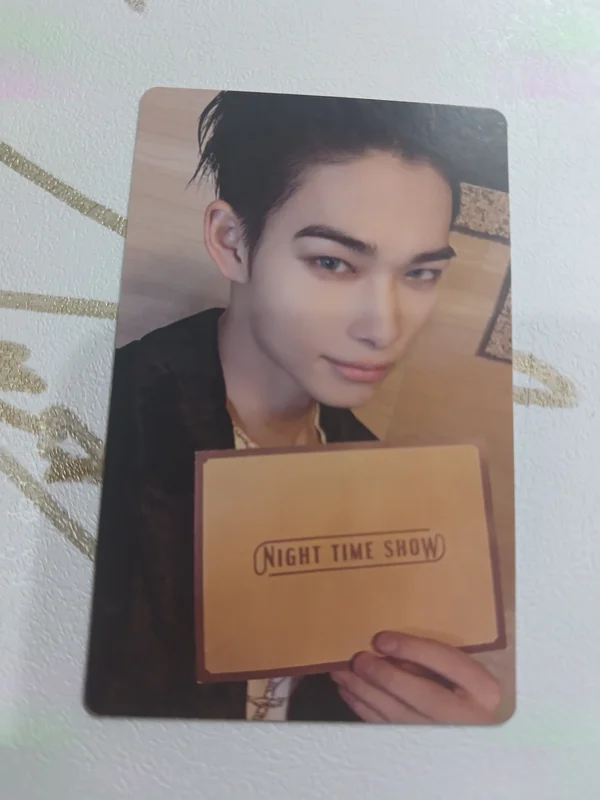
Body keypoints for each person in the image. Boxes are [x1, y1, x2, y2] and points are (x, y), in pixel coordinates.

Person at [85, 91, 501, 724]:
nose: (384, 328)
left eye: (420, 273)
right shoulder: (93, 433)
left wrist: (434, 744)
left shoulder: (381, 476)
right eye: (333, 262)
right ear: (231, 242)